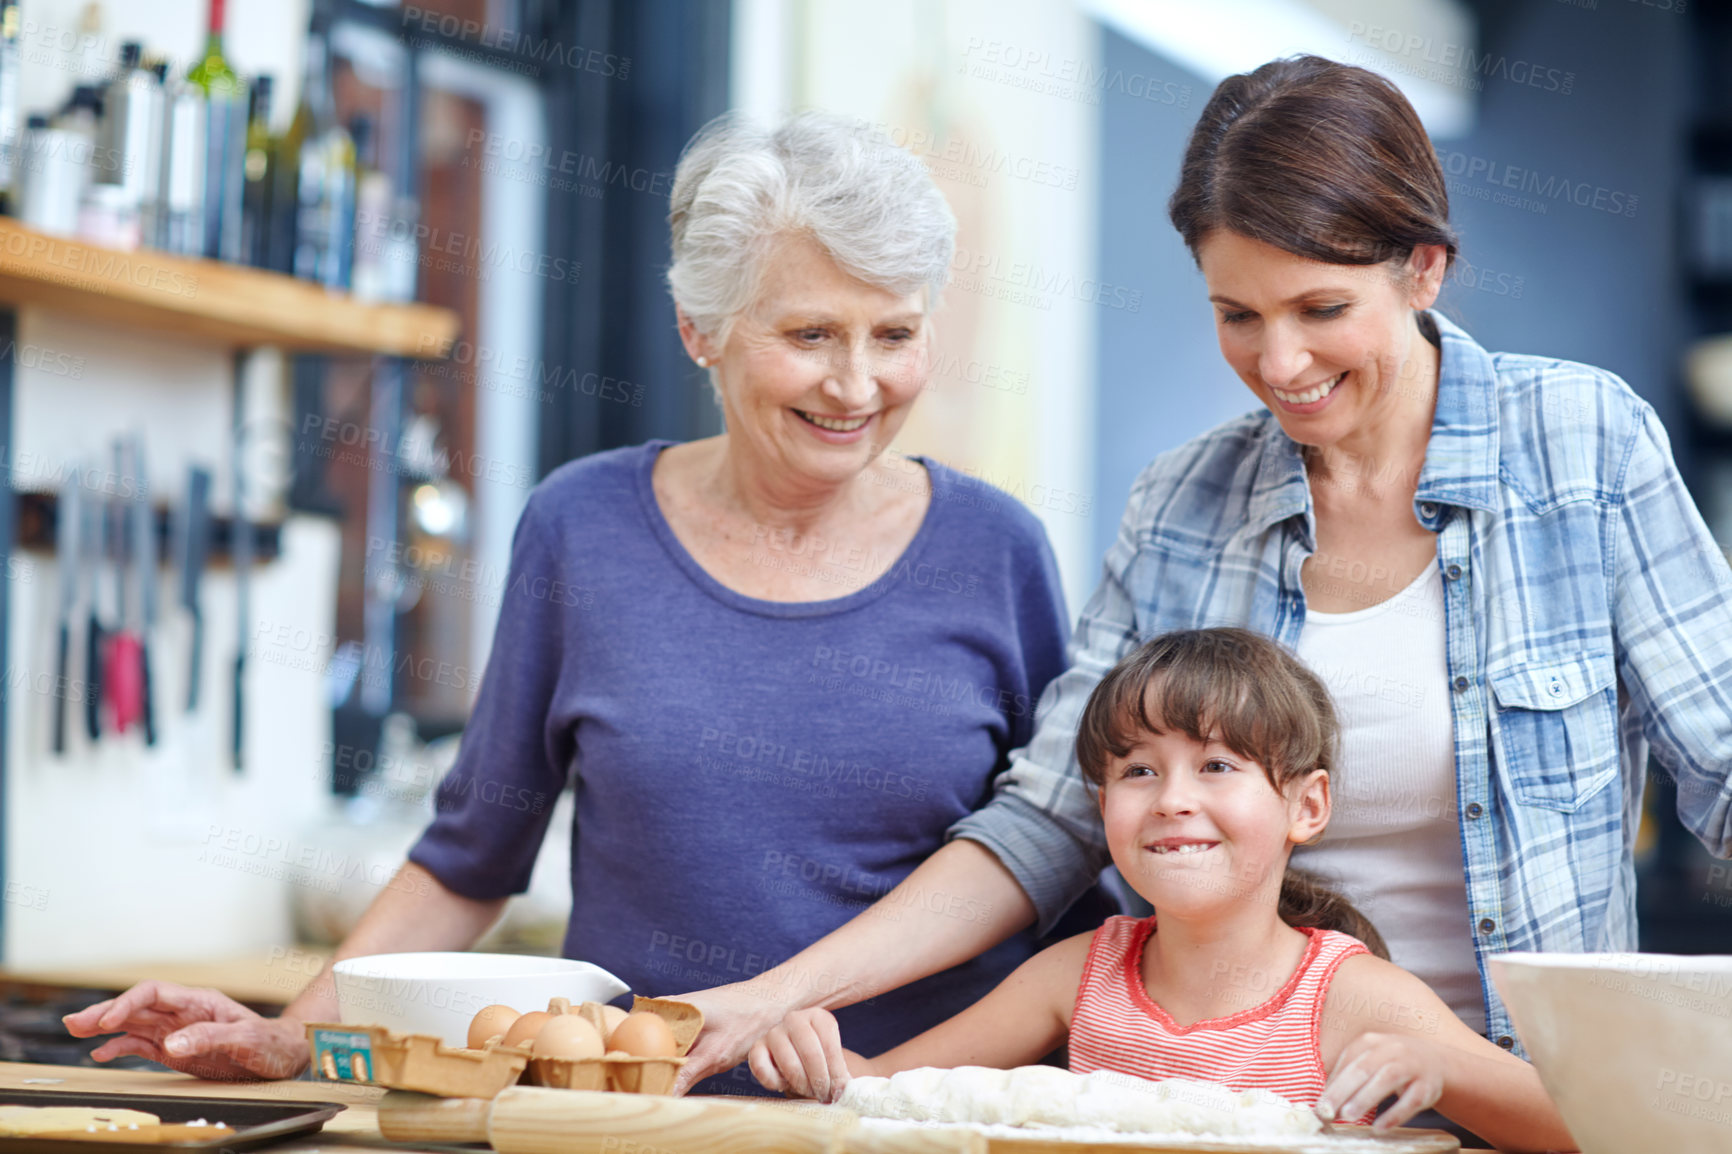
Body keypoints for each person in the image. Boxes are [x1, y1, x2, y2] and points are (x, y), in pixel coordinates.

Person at [675, 54, 1732, 1097]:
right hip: (1251, 1106)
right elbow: (1047, 822)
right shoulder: (1186, 502)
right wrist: (775, 992)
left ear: (1423, 268)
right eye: (1238, 314)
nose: (1279, 362)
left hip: (1528, 1102)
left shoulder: (1578, 444)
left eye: (1319, 309)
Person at [64, 111, 1113, 1092]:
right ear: (699, 328)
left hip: (909, 1121)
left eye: (894, 334)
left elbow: (1056, 858)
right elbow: (472, 854)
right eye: (809, 334)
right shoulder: (583, 525)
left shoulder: (994, 549)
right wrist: (293, 1035)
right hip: (626, 1117)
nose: (855, 384)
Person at [751, 630, 1577, 1152]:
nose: (1173, 797)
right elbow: (886, 1097)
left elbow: (1576, 1131)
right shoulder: (1078, 972)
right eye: (1138, 771)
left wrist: (1439, 1066)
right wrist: (815, 1064)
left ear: (1307, 805)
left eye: (1217, 766)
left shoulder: (1351, 996)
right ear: (1103, 806)